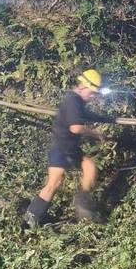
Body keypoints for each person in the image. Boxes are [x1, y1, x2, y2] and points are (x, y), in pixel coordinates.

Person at [23, 69, 115, 228]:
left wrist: (110, 119)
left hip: (70, 149)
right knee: (54, 182)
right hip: (61, 148)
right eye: (91, 93)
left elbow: (88, 115)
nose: (92, 96)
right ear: (84, 87)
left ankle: (82, 200)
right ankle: (32, 216)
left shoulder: (77, 101)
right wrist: (96, 133)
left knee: (90, 167)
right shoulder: (73, 100)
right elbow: (75, 128)